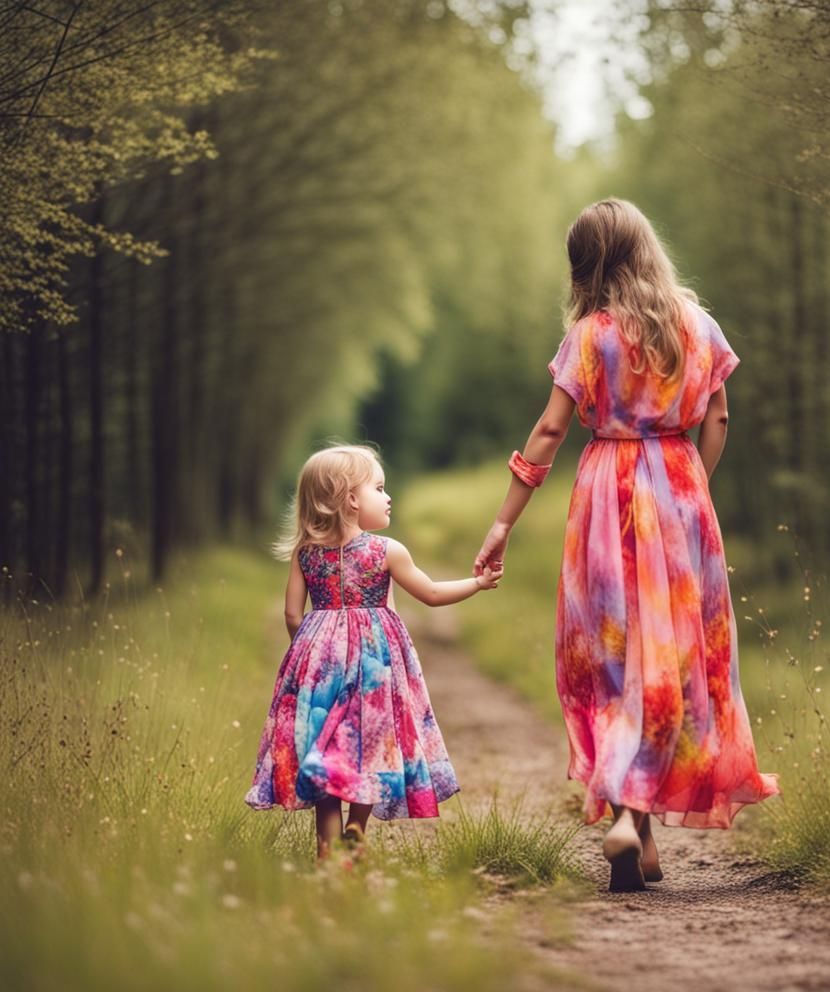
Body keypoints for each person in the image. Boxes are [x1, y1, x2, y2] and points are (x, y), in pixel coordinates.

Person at [474, 198, 780, 892]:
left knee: (610, 656)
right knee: (670, 656)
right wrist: (690, 488)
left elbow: (549, 433)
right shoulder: (696, 326)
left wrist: (503, 522)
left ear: (586, 265)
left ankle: (626, 812)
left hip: (606, 494)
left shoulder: (589, 336)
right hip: (680, 491)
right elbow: (719, 417)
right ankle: (640, 835)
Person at [246, 443, 502, 861]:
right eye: (379, 488)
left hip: (319, 667)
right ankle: (356, 828)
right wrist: (477, 583)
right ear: (350, 499)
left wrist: (313, 653)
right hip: (374, 667)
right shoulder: (387, 552)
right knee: (371, 744)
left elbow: (293, 614)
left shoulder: (306, 553)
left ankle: (329, 856)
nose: (388, 497)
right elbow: (433, 594)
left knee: (324, 753)